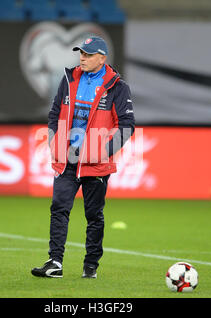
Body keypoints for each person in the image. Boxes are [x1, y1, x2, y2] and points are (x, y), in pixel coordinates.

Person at [31, 36, 135, 278]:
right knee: (59, 208)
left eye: (88, 54)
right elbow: (54, 112)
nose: (82, 57)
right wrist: (54, 144)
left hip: (96, 164)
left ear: (102, 58)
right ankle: (55, 263)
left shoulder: (118, 87)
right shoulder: (69, 78)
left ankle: (91, 265)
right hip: (66, 159)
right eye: (81, 53)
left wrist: (102, 152)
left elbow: (127, 125)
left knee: (94, 215)